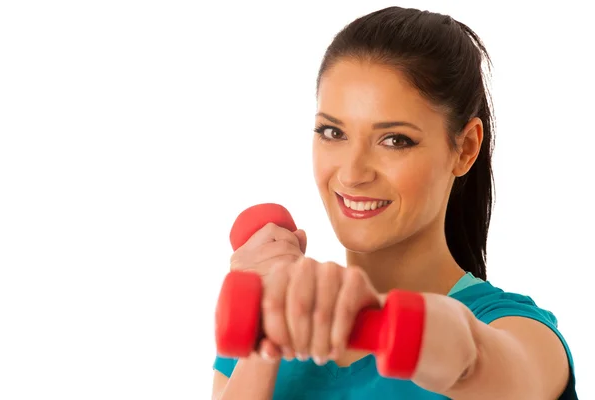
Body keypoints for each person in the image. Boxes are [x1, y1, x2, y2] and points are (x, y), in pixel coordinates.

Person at [211, 6, 577, 399]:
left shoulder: (521, 335)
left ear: (465, 149)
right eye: (333, 132)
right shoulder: (270, 321)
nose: (352, 174)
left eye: (394, 140)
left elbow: (473, 358)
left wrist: (380, 321)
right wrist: (269, 329)